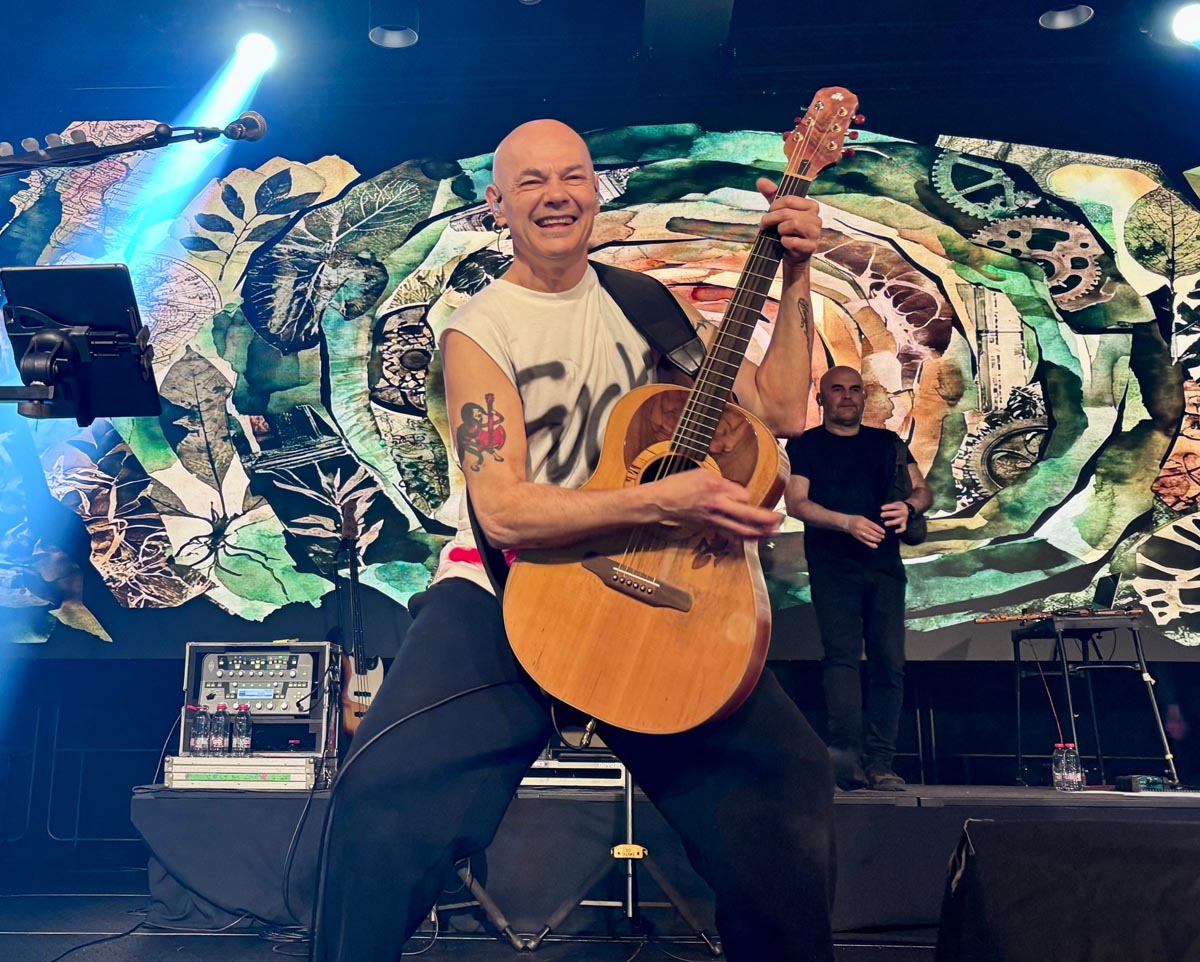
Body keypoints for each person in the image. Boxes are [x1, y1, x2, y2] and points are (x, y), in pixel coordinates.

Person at [311, 118, 835, 962]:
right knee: (382, 796)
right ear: (497, 205)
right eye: (530, 183)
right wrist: (665, 499)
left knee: (784, 785)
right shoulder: (479, 329)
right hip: (506, 586)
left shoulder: (646, 304)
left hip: (653, 595)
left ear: (597, 190)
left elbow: (779, 411)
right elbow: (508, 512)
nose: (556, 196)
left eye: (572, 177)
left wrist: (799, 271)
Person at [784, 366, 932, 792]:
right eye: (837, 390)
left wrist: (909, 507)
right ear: (821, 399)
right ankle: (845, 761)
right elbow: (797, 503)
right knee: (842, 661)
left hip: (885, 568)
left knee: (890, 665)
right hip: (834, 568)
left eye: (854, 390)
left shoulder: (887, 443)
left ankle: (881, 762)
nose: (846, 397)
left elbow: (922, 491)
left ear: (864, 398)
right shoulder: (806, 445)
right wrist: (846, 523)